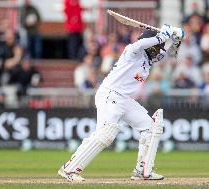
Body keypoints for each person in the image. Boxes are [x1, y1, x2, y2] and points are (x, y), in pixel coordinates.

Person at [58, 24, 184, 182]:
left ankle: (142, 170)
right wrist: (161, 37)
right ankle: (69, 169)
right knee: (105, 134)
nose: (159, 50)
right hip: (110, 95)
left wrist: (175, 39)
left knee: (151, 127)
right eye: (157, 47)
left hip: (124, 99)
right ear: (151, 44)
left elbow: (172, 56)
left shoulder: (147, 61)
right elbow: (137, 44)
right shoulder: (132, 52)